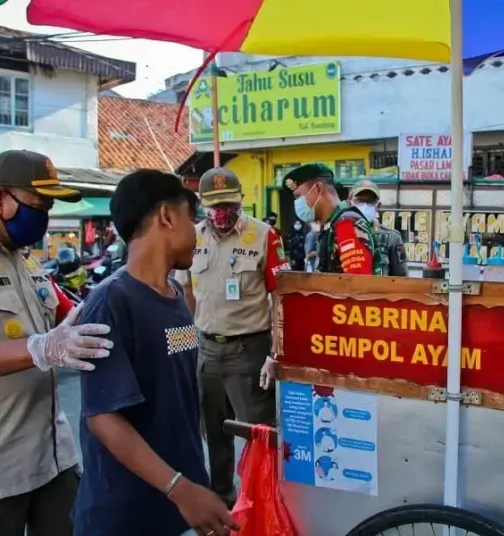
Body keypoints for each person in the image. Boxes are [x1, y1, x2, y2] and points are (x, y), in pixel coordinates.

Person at [73, 170, 239, 536]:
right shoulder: (111, 301)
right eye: (193, 218)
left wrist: (190, 488)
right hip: (127, 515)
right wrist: (179, 488)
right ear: (166, 216)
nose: (198, 231)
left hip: (177, 509)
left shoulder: (176, 296)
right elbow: (103, 418)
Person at [0, 149, 113, 536]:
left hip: (52, 457)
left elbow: (72, 315)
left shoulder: (26, 260)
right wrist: (40, 348)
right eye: (37, 205)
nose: (43, 217)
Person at [176, 167, 290, 508]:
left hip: (249, 351)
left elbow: (282, 298)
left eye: (229, 204)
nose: (222, 213)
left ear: (241, 200)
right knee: (213, 433)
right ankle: (222, 504)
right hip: (206, 350)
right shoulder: (191, 237)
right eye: (214, 206)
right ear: (202, 204)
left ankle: (261, 503)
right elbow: (186, 294)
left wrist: (276, 353)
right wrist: (188, 347)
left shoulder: (265, 235)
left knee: (258, 434)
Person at [284, 162, 381, 275]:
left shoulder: (346, 225)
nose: (297, 203)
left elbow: (357, 285)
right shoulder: (332, 225)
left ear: (318, 189)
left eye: (298, 196)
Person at [348, 179, 408, 276]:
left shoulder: (391, 238)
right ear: (349, 203)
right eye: (359, 201)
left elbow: (402, 280)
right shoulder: (338, 235)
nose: (364, 206)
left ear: (378, 206)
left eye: (370, 202)